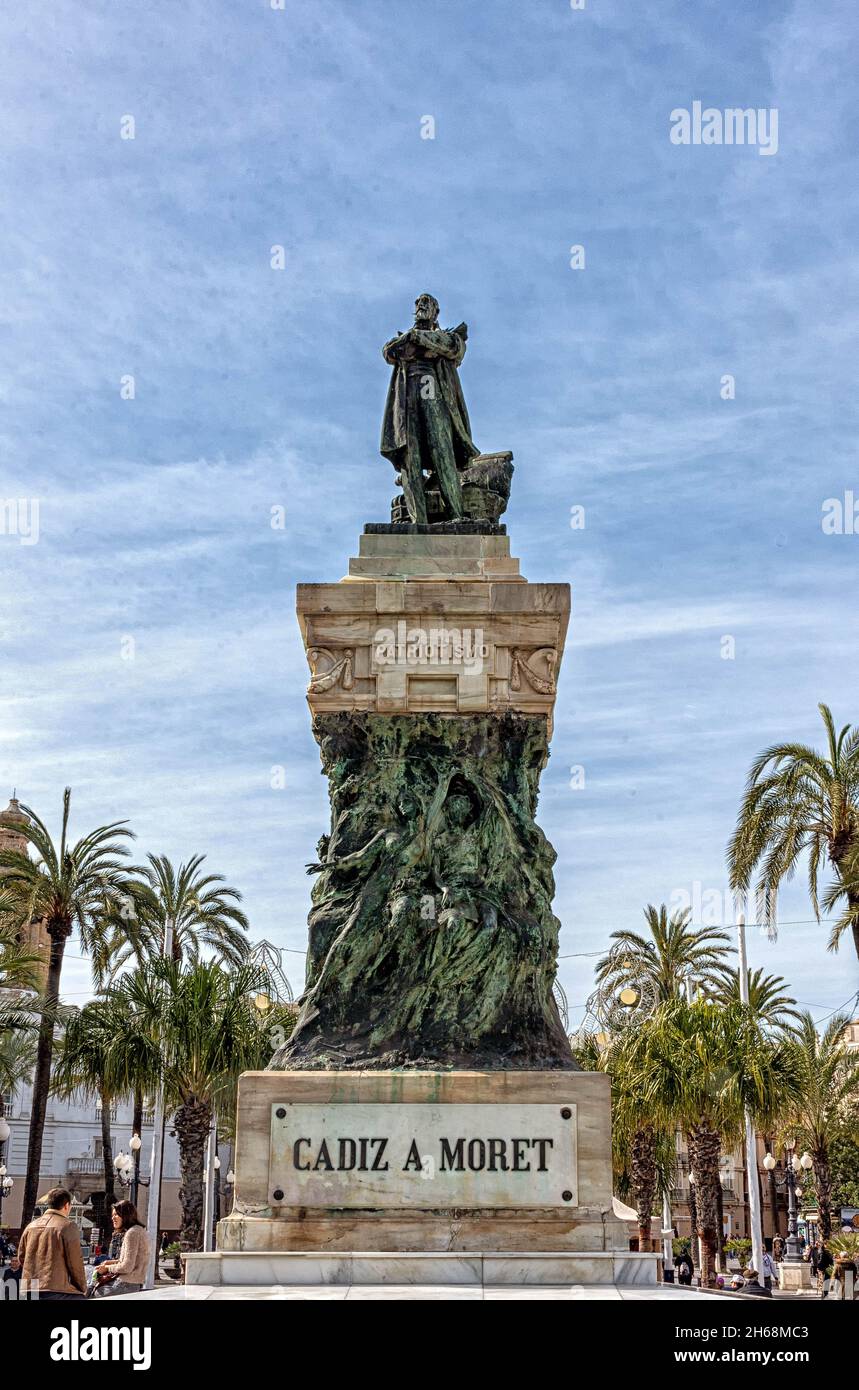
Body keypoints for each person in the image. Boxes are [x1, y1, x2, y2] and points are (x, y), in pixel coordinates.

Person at [18, 1187, 87, 1300]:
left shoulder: (30, 1227)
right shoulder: (68, 1226)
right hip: (56, 1290)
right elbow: (75, 1262)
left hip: (29, 1290)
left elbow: (22, 1257)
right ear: (66, 1205)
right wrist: (82, 1287)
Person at [92, 1200, 149, 1297]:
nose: (113, 1218)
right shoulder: (138, 1230)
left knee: (89, 1292)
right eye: (112, 1215)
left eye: (116, 1215)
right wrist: (110, 1263)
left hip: (124, 1285)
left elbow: (127, 1267)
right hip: (131, 1284)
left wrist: (106, 1268)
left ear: (126, 1215)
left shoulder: (132, 1233)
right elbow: (130, 1261)